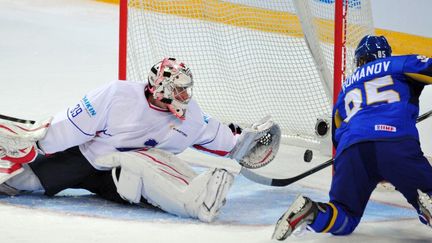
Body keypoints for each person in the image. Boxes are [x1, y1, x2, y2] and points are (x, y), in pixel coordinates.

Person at [0, 57, 280, 222]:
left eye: (186, 90)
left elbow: (218, 137)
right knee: (19, 183)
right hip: (81, 156)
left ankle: (198, 201)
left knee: (149, 168)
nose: (186, 97)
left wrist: (243, 144)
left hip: (120, 172)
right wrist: (35, 147)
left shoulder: (190, 116)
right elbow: (70, 127)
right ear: (162, 87)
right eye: (179, 90)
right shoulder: (117, 95)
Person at [272, 35, 432, 240]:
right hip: (394, 143)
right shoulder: (398, 63)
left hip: (350, 151)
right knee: (426, 190)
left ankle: (312, 212)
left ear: (361, 59)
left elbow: (338, 135)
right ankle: (427, 201)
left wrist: (368, 167)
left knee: (345, 214)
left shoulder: (347, 87)